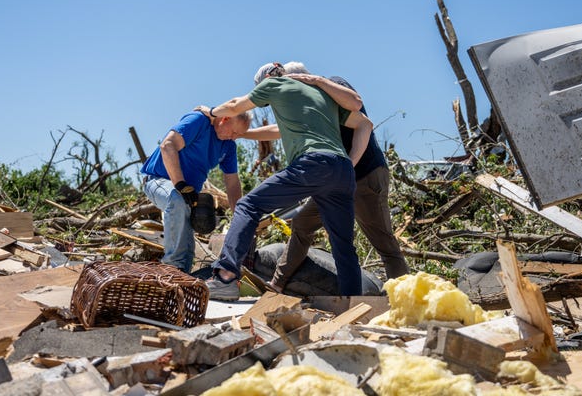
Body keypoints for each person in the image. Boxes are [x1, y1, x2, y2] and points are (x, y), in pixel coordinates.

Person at [203, 62, 373, 300]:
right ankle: (355, 305)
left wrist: (210, 112)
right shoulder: (320, 95)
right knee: (343, 245)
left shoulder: (274, 84)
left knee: (248, 205)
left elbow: (234, 106)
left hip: (312, 164)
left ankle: (225, 277)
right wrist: (350, 161)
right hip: (342, 171)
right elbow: (365, 122)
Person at [246, 62, 409, 293]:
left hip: (364, 176)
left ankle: (402, 300)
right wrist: (242, 133)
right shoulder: (306, 106)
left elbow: (363, 121)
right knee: (303, 223)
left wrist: (349, 166)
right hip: (337, 181)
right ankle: (277, 285)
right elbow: (278, 130)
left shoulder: (333, 86)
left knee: (383, 243)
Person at [140, 110, 251, 273]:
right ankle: (171, 268)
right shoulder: (199, 121)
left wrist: (239, 216)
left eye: (238, 135)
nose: (234, 137)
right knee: (176, 200)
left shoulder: (228, 146)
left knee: (188, 224)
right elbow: (167, 146)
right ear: (225, 119)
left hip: (187, 194)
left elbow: (232, 182)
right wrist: (180, 184)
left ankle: (183, 273)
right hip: (158, 180)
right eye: (234, 132)